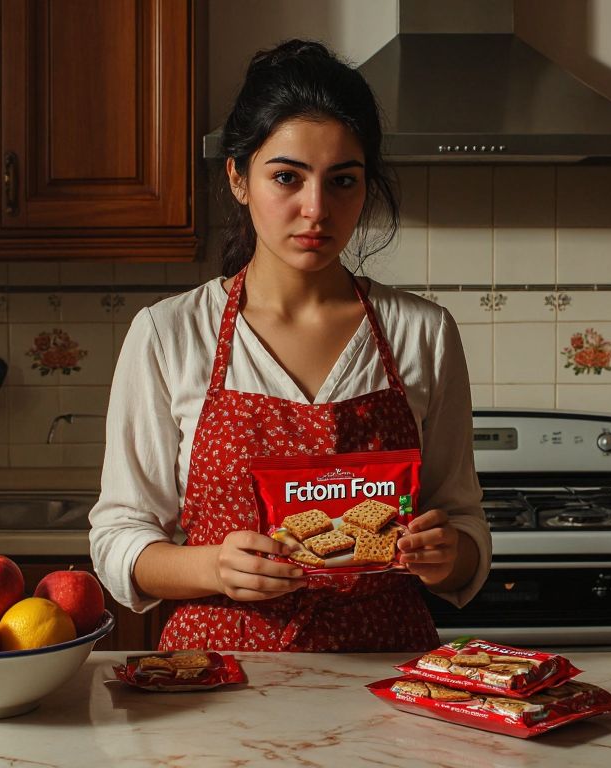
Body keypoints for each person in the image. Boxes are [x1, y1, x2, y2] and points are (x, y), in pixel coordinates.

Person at [90, 39, 489, 652]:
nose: (316, 210)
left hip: (385, 669)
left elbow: (463, 526)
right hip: (218, 677)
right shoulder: (170, 334)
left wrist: (447, 555)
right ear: (238, 178)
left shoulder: (422, 332)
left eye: (343, 181)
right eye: (286, 177)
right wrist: (211, 568)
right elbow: (119, 538)